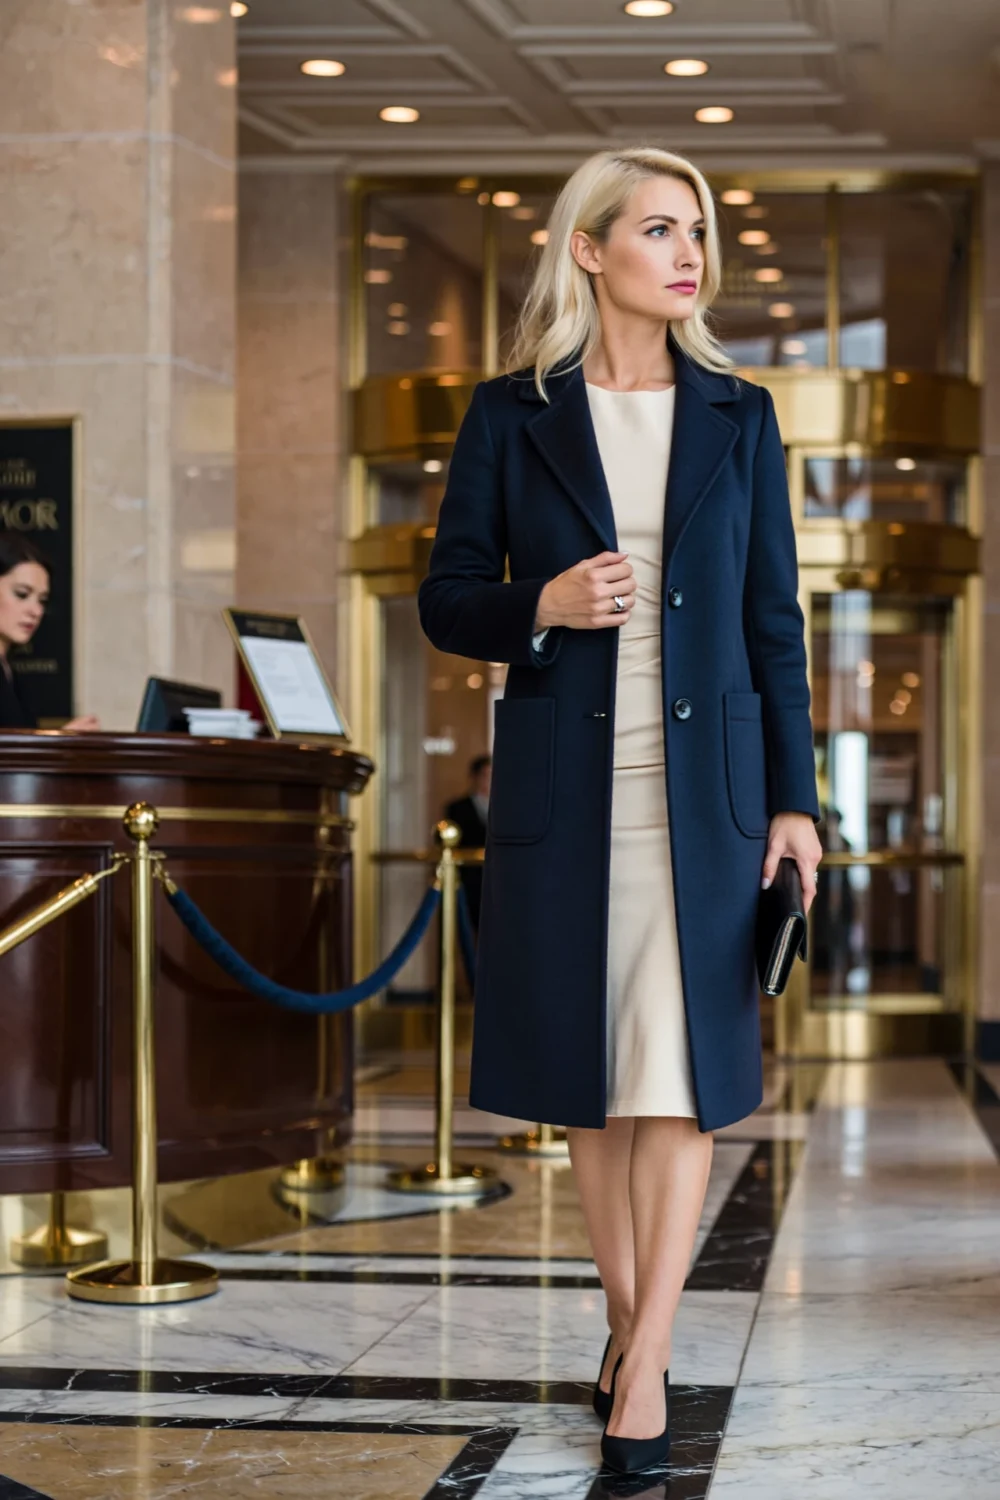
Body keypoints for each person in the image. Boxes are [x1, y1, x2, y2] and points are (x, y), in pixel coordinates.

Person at [418, 147, 822, 1475]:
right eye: (659, 227)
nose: (689, 249)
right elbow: (448, 593)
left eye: (695, 228)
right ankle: (624, 1324)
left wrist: (795, 806)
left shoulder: (739, 415)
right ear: (591, 250)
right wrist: (538, 606)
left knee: (681, 1089)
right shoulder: (508, 413)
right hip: (566, 793)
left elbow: (776, 624)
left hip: (706, 798)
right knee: (596, 1091)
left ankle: (642, 1368)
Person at [0, 535, 99, 731]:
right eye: (22, 594)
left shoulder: (11, 673)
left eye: (42, 600)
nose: (35, 611)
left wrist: (62, 738)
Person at [443, 754, 491, 930]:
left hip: (493, 878)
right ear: (474, 777)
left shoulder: (503, 808)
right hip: (468, 880)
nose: (489, 781)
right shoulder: (457, 808)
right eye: (485, 775)